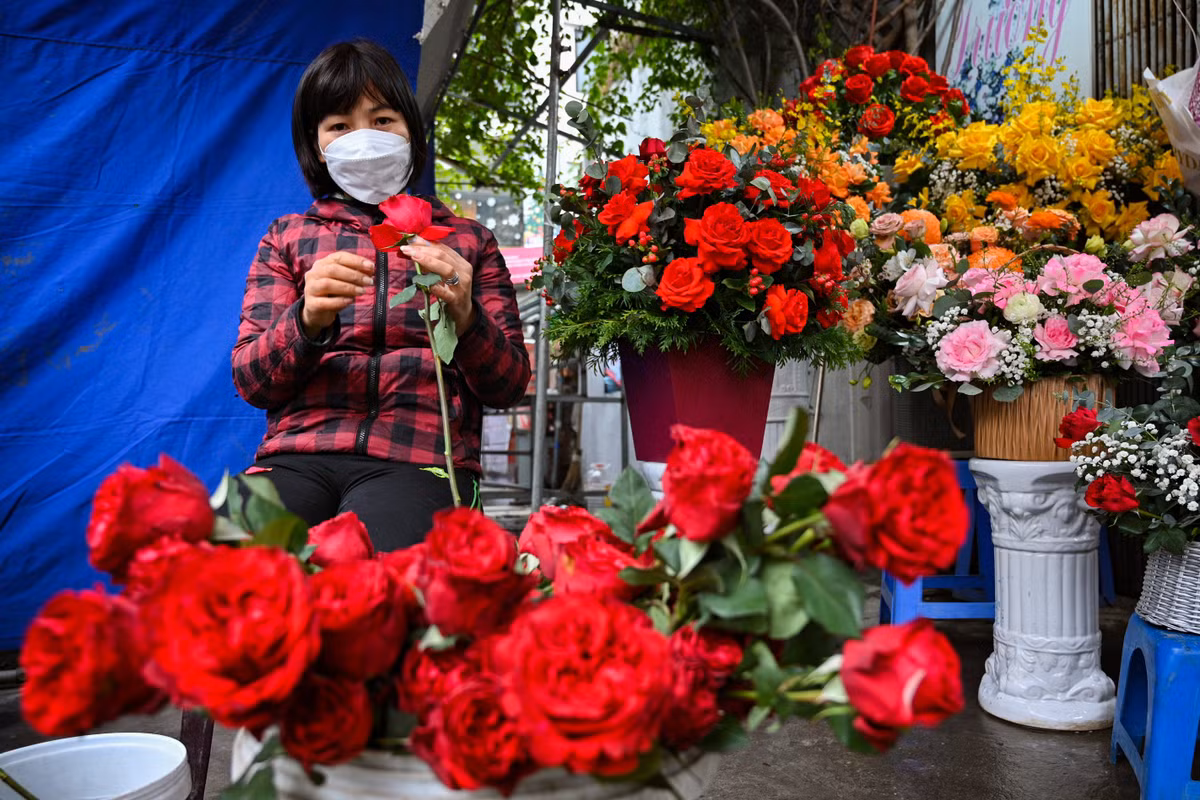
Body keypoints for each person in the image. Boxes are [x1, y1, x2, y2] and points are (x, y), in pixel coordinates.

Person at [231, 39, 531, 551]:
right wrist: (305, 321)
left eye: (383, 119)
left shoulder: (467, 242)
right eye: (340, 126)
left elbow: (508, 386)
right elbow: (253, 381)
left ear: (412, 131)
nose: (363, 139)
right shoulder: (287, 237)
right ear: (317, 144)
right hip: (296, 455)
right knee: (223, 555)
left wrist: (465, 315)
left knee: (377, 572)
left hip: (420, 459)